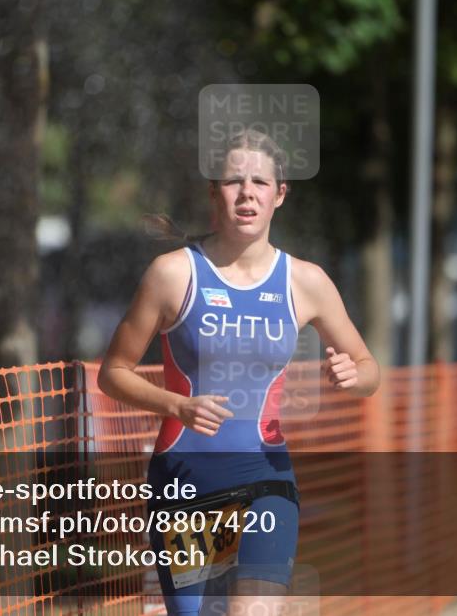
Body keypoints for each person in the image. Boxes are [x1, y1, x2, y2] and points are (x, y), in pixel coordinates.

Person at [98, 128, 379, 616]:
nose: (247, 193)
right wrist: (176, 405)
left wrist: (353, 376)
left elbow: (368, 368)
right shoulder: (173, 274)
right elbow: (113, 372)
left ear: (279, 194)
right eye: (233, 182)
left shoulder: (305, 281)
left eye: (260, 183)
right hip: (185, 480)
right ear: (215, 192)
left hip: (265, 478)